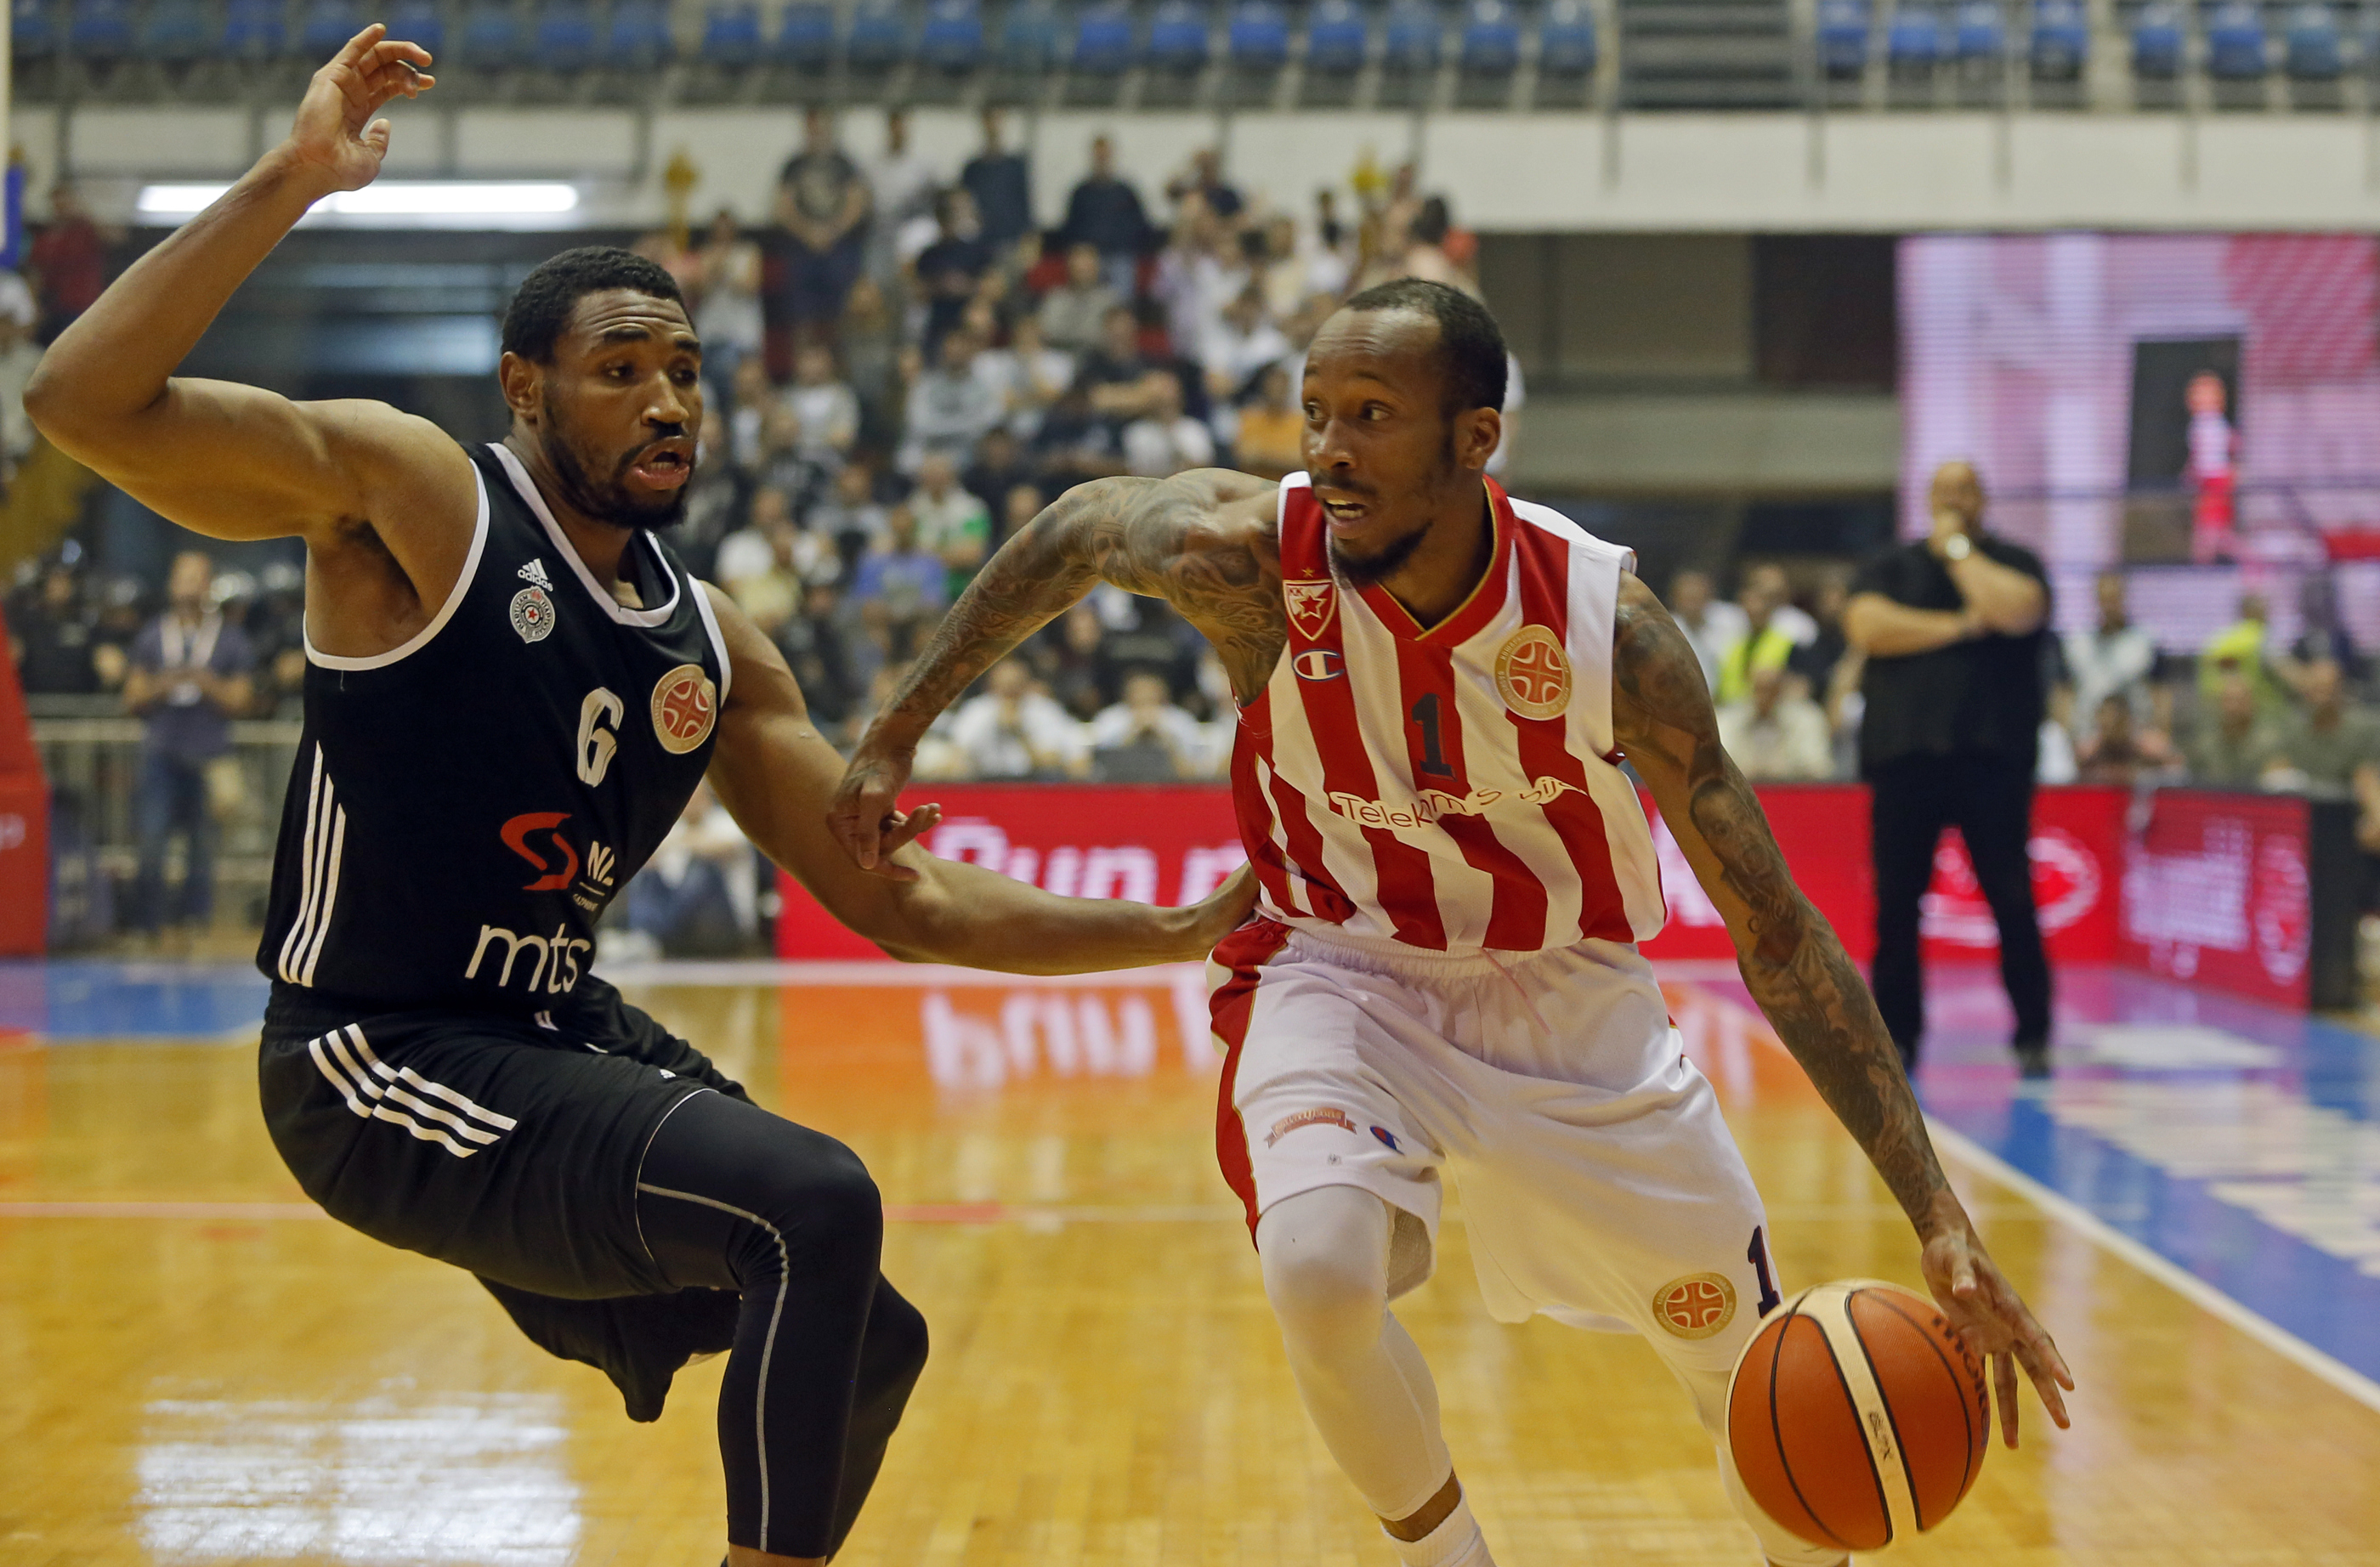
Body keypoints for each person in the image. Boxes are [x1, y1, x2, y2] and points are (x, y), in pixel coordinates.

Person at [23, 33, 1254, 1567]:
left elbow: (901, 898)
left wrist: (1180, 929)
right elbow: (80, 398)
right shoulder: (420, 498)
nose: (667, 401)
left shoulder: (713, 640)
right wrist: (295, 178)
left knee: (872, 1335)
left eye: (684, 372)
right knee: (816, 1201)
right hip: (373, 1051)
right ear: (525, 389)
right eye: (621, 373)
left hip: (554, 1035)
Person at [830, 278, 2071, 1567]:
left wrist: (1936, 1212)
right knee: (1319, 1271)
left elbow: (1780, 936)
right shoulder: (1254, 563)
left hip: (1568, 991)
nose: (1329, 448)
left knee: (1754, 1372)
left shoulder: (1608, 635)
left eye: (1371, 414)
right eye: (1315, 411)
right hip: (1340, 964)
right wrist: (893, 732)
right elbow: (1080, 530)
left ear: (1476, 438)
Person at [1844, 459, 2054, 1078]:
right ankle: (1898, 1035)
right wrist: (1963, 625)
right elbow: (1869, 629)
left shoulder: (2016, 561)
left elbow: (2018, 611)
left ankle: (2033, 1033)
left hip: (1993, 762)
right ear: (1928, 499)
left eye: (1966, 490)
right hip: (1905, 761)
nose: (1955, 500)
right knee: (1897, 905)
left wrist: (1960, 554)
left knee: (2012, 899)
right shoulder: (1890, 565)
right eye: (1944, 491)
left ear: (1983, 499)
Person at [122, 549, 257, 946]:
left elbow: (242, 699)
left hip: (210, 752)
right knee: (151, 841)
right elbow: (132, 696)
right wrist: (162, 685)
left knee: (202, 846)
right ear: (171, 584)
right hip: (161, 752)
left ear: (208, 586)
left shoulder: (230, 638)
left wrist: (206, 683)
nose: (188, 588)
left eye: (197, 579)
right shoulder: (152, 635)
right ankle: (149, 925)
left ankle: (195, 923)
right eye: (183, 578)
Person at [774, 108, 872, 331]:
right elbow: (782, 207)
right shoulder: (794, 165)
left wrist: (832, 231)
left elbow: (856, 204)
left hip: (838, 244)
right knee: (800, 311)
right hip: (802, 244)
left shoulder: (844, 163)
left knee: (841, 306)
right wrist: (808, 233)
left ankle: (837, 348)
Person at [943, 656, 1088, 780]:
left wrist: (1019, 732)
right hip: (986, 783)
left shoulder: (1044, 710)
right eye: (1004, 686)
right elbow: (956, 757)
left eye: (1015, 686)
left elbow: (1053, 761)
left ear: (1025, 684)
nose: (1009, 692)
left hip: (1033, 784)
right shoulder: (977, 711)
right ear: (991, 686)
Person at [2063, 571, 2158, 735]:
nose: (2109, 606)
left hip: (2135, 736)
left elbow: (2160, 694)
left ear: (2124, 597)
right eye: (2104, 599)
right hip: (2088, 737)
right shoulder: (2077, 645)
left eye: (2114, 598)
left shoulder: (2144, 643)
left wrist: (2157, 736)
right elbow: (2064, 695)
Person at [1058, 134, 1152, 299]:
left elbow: (1140, 226)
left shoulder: (1125, 192)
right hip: (1089, 256)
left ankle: (1122, 311)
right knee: (1083, 267)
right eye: (1099, 156)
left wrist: (1125, 245)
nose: (1102, 160)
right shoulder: (1081, 193)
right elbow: (1071, 229)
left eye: (1105, 155)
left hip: (1119, 255)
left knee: (1122, 272)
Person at [1087, 666, 1211, 780]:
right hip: (1118, 786)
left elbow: (1194, 772)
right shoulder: (1110, 719)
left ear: (1163, 694)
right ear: (1127, 694)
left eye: (1150, 694)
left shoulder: (1180, 720)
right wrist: (1131, 735)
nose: (1144, 696)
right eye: (1138, 692)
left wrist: (1164, 738)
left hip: (1171, 786)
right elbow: (1092, 769)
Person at [1717, 664, 1833, 781]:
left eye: (1771, 690)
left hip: (1791, 789)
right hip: (1742, 788)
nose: (1764, 697)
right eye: (1760, 690)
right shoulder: (1728, 721)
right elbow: (1720, 767)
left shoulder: (1807, 719)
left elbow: (1818, 768)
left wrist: (1782, 772)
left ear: (1782, 690)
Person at [2183, 671, 2278, 787]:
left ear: (2253, 704)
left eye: (2240, 700)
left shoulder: (2268, 743)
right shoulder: (2205, 745)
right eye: (2228, 700)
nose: (2233, 708)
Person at [960, 108, 1034, 252]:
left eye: (997, 120)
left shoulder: (1015, 166)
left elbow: (1024, 203)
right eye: (989, 120)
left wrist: (1028, 235)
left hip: (1010, 239)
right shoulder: (972, 169)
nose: (993, 126)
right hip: (980, 242)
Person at [1121, 371, 1215, 478]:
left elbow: (1203, 468)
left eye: (1168, 389)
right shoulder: (1137, 431)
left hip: (1188, 485)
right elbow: (1136, 473)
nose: (1163, 397)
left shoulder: (1194, 428)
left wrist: (1169, 430)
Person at [2186, 370, 2236, 565]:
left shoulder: (2213, 422)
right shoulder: (2203, 422)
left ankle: (2252, 561)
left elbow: (2229, 444)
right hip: (2208, 480)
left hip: (2216, 480)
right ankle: (2202, 565)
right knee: (2209, 530)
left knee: (2212, 530)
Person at [1039, 242, 1125, 355]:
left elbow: (1111, 337)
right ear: (1069, 267)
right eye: (1079, 267)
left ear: (1097, 267)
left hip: (1098, 358)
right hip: (1059, 356)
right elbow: (1046, 332)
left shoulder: (1110, 299)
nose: (1083, 271)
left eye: (1088, 266)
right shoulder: (1055, 298)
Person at [1666, 567, 1743, 693]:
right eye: (1688, 598)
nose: (1693, 605)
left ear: (1709, 596)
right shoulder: (1666, 629)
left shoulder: (1732, 620)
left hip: (1731, 695)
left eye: (1697, 598)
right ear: (1675, 599)